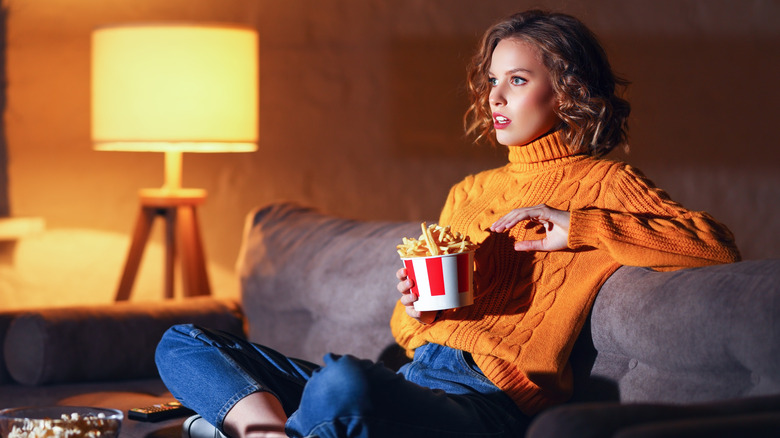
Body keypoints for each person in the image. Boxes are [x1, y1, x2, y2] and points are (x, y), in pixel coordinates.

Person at [155, 9, 740, 438]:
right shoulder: (470, 191)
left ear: (567, 93)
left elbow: (715, 247)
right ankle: (271, 433)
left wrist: (578, 227)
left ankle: (243, 424)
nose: (496, 97)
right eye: (492, 80)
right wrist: (418, 308)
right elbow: (409, 333)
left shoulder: (605, 182)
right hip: (417, 377)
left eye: (517, 80)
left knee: (343, 383)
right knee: (183, 341)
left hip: (486, 402)